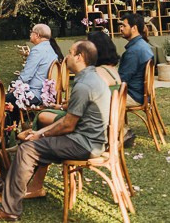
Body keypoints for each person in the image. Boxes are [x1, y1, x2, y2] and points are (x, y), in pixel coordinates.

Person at [0, 41, 111, 221]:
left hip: (84, 144)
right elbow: (67, 120)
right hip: (90, 140)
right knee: (33, 141)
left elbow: (68, 125)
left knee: (28, 150)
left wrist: (40, 134)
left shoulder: (83, 85)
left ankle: (9, 208)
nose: (66, 57)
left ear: (80, 57)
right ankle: (11, 187)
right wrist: (38, 134)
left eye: (71, 53)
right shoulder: (93, 78)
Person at [24, 31, 121, 198]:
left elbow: (72, 119)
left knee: (43, 119)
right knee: (47, 122)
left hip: (88, 135)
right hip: (104, 130)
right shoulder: (110, 71)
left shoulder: (96, 76)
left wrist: (43, 133)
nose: (68, 56)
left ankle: (35, 180)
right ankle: (32, 151)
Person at [4, 24, 58, 128]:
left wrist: (14, 88)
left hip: (35, 95)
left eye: (31, 32)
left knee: (5, 100)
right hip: (44, 94)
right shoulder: (51, 50)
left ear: (37, 35)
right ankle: (15, 130)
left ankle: (8, 132)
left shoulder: (37, 50)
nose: (30, 34)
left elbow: (26, 76)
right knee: (11, 97)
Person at [118, 13, 153, 106]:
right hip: (142, 94)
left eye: (124, 26)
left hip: (133, 96)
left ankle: (117, 121)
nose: (121, 29)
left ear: (134, 28)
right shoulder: (143, 45)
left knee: (98, 99)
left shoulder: (134, 51)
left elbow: (122, 79)